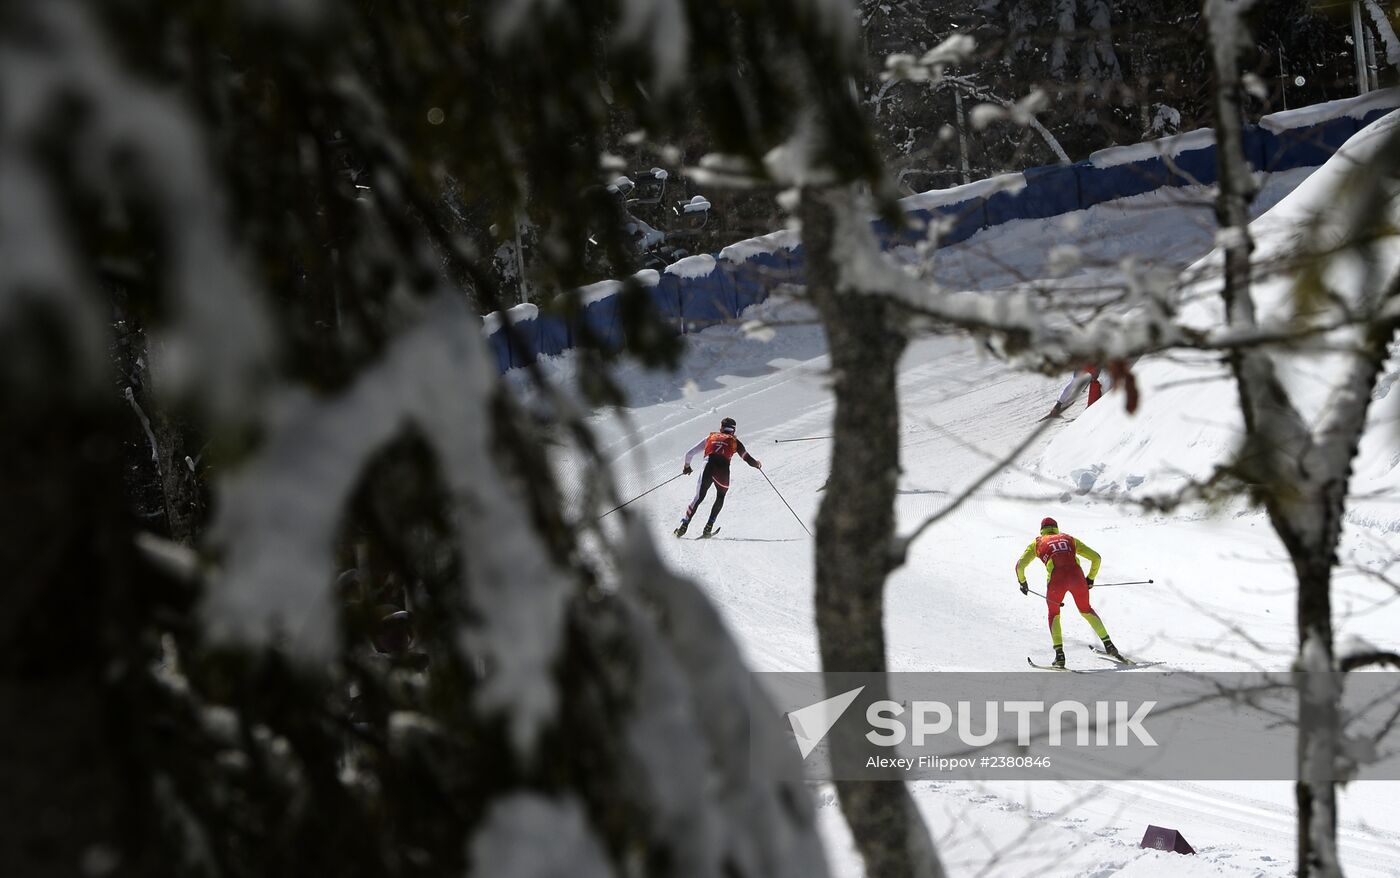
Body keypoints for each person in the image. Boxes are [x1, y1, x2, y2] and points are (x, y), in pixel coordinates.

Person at [1014, 516, 1119, 667]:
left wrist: (1022, 582)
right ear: (1056, 528)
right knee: (1086, 610)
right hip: (1077, 578)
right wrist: (1090, 579)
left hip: (1057, 582)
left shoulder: (1037, 543)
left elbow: (1019, 566)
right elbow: (1096, 558)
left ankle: (1060, 655)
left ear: (1042, 530)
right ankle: (1109, 645)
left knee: (1054, 614)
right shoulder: (1069, 539)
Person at [674, 416, 761, 537]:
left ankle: (683, 526)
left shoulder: (711, 437)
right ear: (733, 430)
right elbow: (748, 459)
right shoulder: (735, 442)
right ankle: (708, 527)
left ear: (721, 428)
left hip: (708, 467)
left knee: (699, 497)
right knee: (720, 496)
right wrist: (757, 464)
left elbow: (689, 453)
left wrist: (687, 467)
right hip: (723, 471)